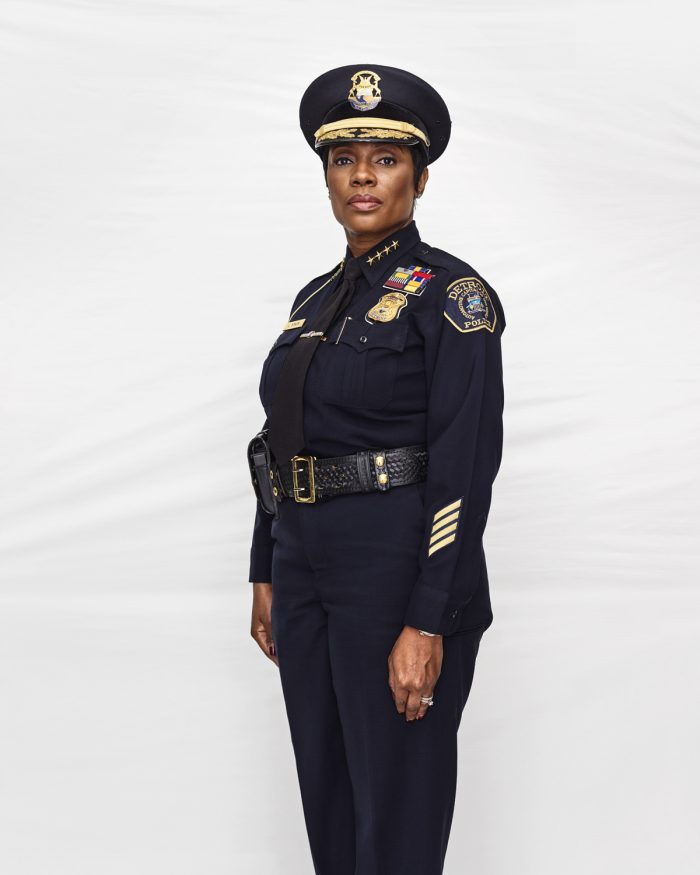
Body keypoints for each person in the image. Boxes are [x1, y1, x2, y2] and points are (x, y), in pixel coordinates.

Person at [247, 64, 505, 875]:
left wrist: (428, 619)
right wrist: (265, 566)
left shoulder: (451, 296)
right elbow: (280, 439)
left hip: (395, 572)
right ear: (327, 175)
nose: (362, 176)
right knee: (329, 803)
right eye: (344, 159)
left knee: (395, 815)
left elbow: (466, 466)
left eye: (385, 160)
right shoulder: (314, 299)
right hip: (305, 571)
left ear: (419, 179)